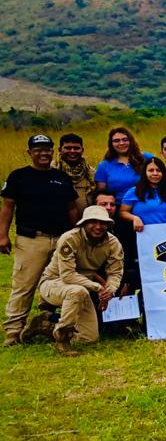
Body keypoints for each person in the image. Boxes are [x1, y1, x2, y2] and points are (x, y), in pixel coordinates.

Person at [1, 134, 81, 346]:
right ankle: (13, 330)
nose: (43, 153)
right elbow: (7, 207)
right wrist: (2, 235)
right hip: (31, 239)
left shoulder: (61, 178)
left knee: (61, 282)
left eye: (47, 149)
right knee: (24, 284)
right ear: (29, 152)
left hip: (61, 239)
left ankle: (47, 322)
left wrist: (75, 235)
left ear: (53, 152)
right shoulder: (19, 176)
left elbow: (71, 208)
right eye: (38, 150)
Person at [36, 205, 124, 353]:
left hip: (82, 288)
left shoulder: (113, 243)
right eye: (93, 222)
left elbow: (115, 272)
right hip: (54, 283)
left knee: (89, 338)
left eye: (103, 223)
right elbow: (68, 275)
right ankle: (62, 340)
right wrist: (97, 287)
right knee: (77, 291)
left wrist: (110, 290)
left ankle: (45, 326)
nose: (98, 227)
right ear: (84, 224)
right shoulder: (70, 238)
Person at [120, 158, 166, 231]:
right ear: (144, 173)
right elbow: (123, 212)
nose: (155, 173)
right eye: (151, 170)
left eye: (158, 170)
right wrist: (135, 218)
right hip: (143, 236)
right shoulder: (134, 191)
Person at [94, 126, 149, 198]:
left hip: (142, 205)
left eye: (125, 139)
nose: (121, 143)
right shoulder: (104, 166)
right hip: (116, 206)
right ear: (111, 144)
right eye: (116, 141)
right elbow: (101, 194)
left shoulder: (146, 158)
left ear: (131, 141)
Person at [55, 133, 94, 209]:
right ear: (59, 150)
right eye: (68, 148)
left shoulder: (90, 173)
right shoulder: (52, 170)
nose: (72, 151)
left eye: (76, 148)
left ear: (82, 150)